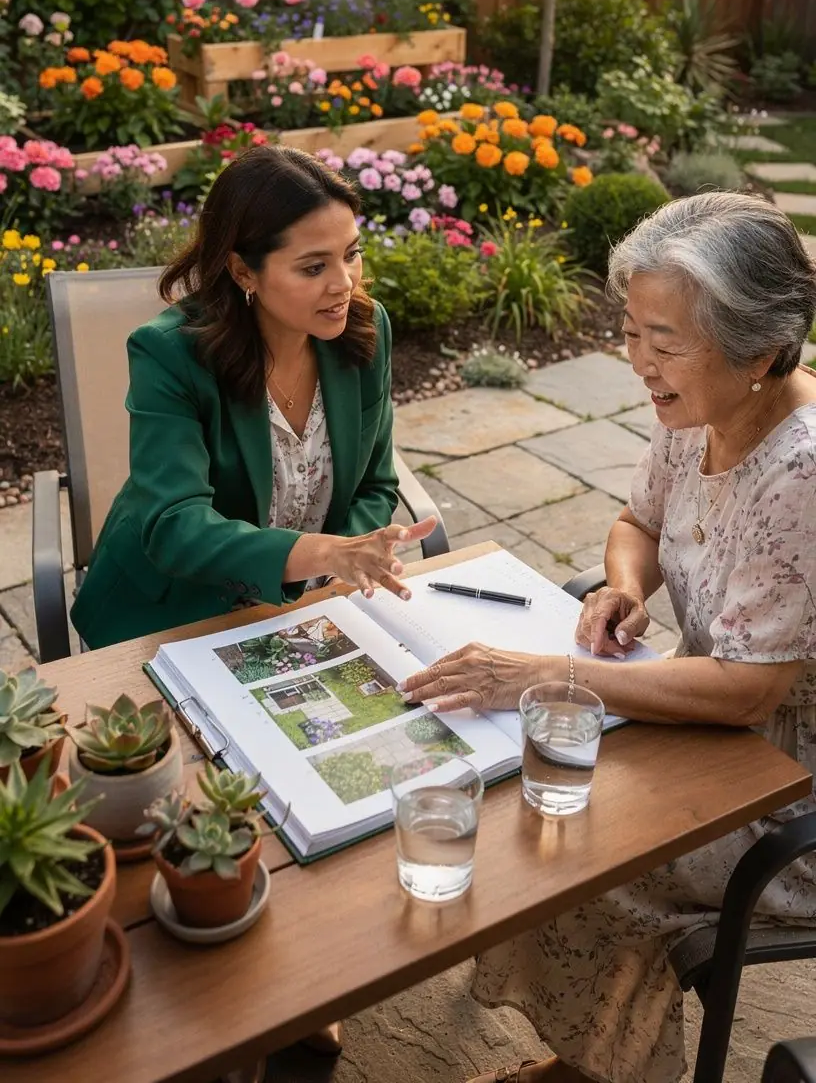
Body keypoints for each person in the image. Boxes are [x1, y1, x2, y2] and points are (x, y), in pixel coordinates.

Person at [400, 192, 816, 1083]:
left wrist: (550, 673)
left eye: (664, 343)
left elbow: (751, 691)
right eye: (631, 333)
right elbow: (637, 520)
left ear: (762, 350)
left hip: (786, 782)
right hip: (710, 726)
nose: (639, 363)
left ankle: (604, 1071)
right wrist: (624, 589)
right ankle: (590, 1051)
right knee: (543, 799)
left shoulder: (803, 470)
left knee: (587, 854)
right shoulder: (699, 412)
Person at [72, 145, 434, 650]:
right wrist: (327, 553)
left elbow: (374, 484)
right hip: (174, 615)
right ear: (243, 272)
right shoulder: (171, 354)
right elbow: (174, 527)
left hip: (311, 607)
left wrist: (350, 555)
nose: (345, 284)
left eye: (351, 254)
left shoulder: (365, 332)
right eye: (313, 268)